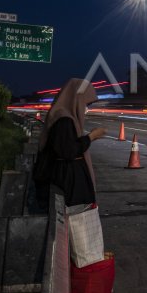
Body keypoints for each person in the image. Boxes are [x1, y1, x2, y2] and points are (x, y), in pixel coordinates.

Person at [35, 78, 107, 211]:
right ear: (76, 99)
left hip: (68, 184)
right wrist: (91, 137)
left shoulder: (64, 117)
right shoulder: (64, 120)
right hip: (68, 187)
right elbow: (68, 151)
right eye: (86, 104)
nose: (86, 109)